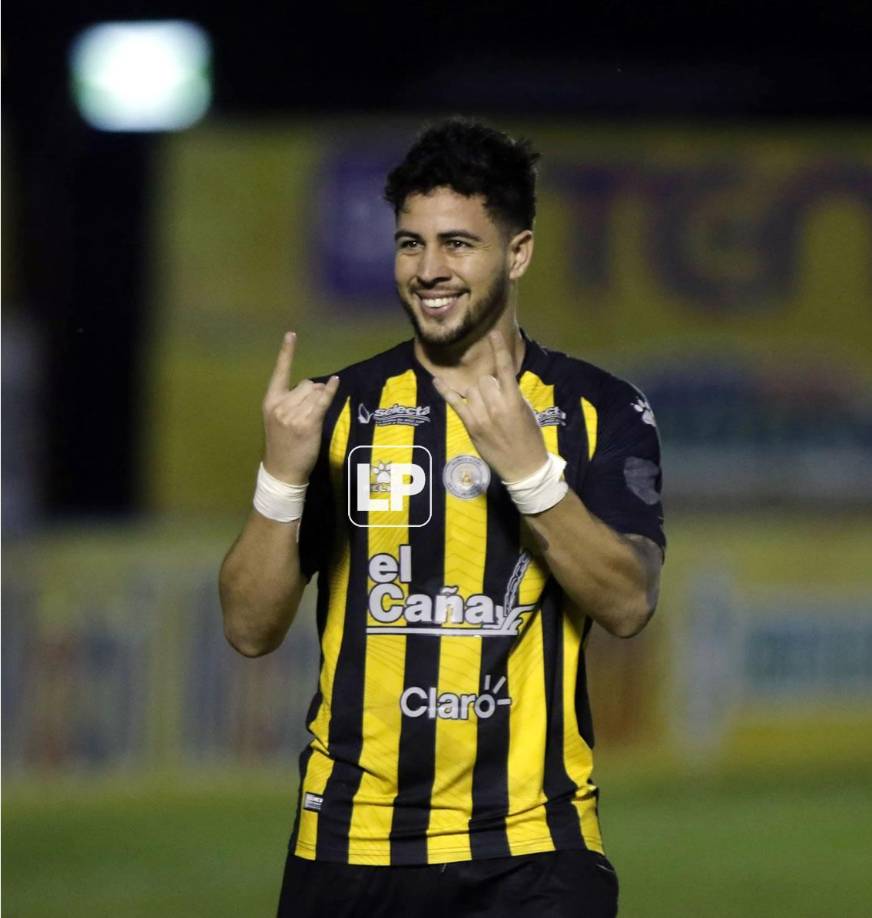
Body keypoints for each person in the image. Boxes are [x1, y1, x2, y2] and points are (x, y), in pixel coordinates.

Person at [219, 117, 665, 918]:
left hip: (534, 848)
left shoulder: (598, 408)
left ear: (518, 253)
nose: (429, 270)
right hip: (350, 844)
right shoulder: (340, 408)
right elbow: (250, 629)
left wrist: (529, 472)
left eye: (458, 244)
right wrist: (279, 480)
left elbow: (629, 603)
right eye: (409, 244)